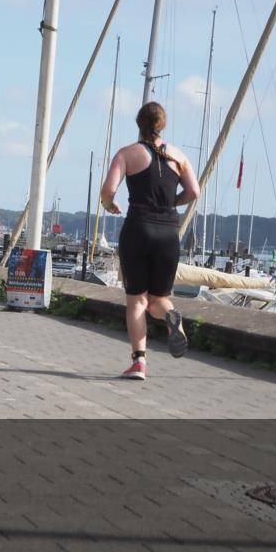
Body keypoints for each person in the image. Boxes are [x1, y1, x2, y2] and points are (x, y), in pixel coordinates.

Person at [100, 102, 200, 380]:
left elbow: (108, 191)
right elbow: (194, 191)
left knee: (136, 302)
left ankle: (139, 362)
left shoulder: (127, 154)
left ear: (139, 124)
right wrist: (172, 203)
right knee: (159, 299)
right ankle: (172, 319)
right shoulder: (179, 156)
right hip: (169, 232)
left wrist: (111, 206)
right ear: (163, 125)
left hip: (138, 229)